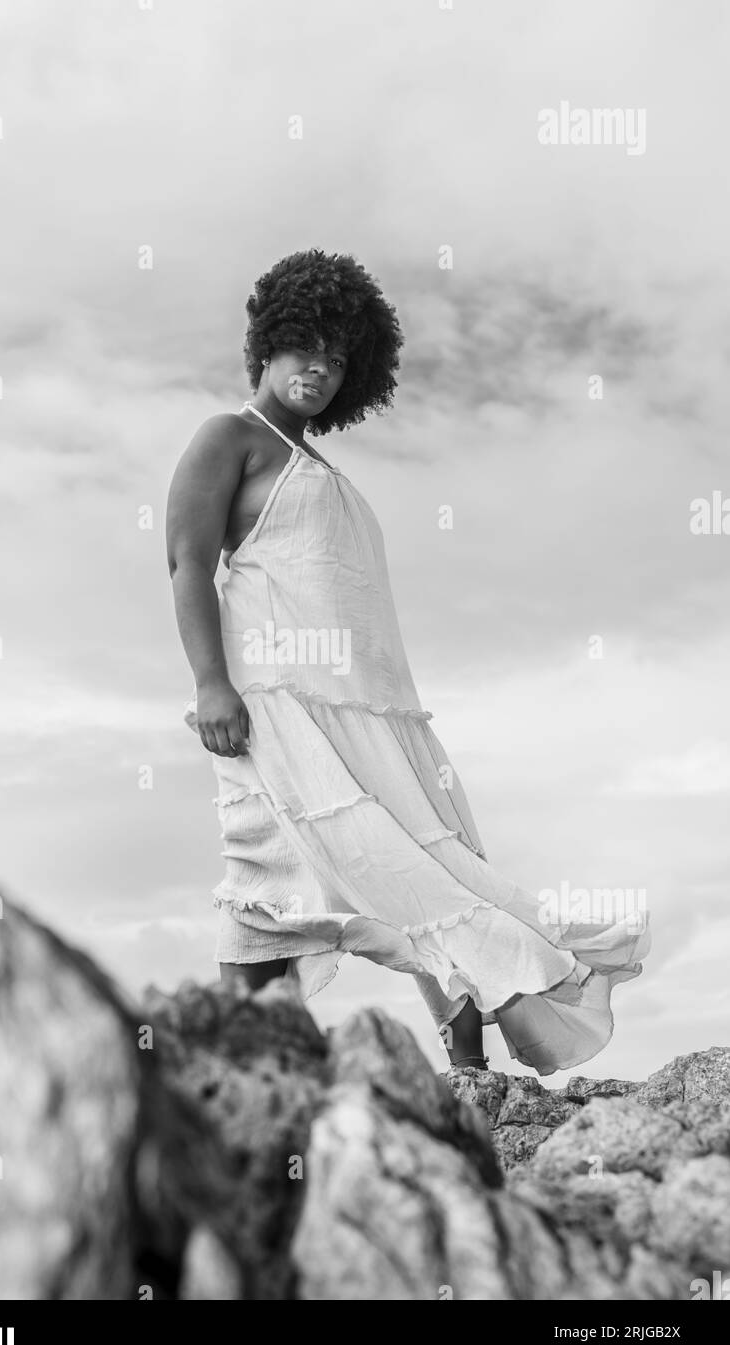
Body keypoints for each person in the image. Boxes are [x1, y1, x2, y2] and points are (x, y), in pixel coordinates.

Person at [165, 248, 650, 1075]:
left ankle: (465, 1070)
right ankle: (230, 1076)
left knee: (416, 868)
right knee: (267, 875)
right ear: (267, 344)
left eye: (336, 356)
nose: (317, 367)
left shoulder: (325, 470)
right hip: (275, 709)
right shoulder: (229, 439)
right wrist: (210, 684)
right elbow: (186, 562)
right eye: (303, 345)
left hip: (369, 714)